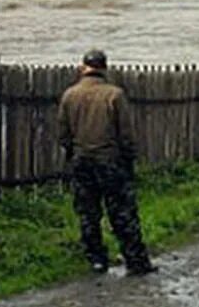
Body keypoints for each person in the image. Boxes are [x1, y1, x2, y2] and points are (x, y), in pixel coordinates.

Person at [57, 50, 156, 275]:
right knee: (122, 211)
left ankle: (96, 259)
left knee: (88, 213)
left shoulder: (69, 95)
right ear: (104, 68)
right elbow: (126, 134)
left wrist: (73, 153)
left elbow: (63, 133)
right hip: (110, 161)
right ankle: (136, 261)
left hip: (82, 161)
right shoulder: (114, 95)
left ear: (84, 67)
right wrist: (129, 159)